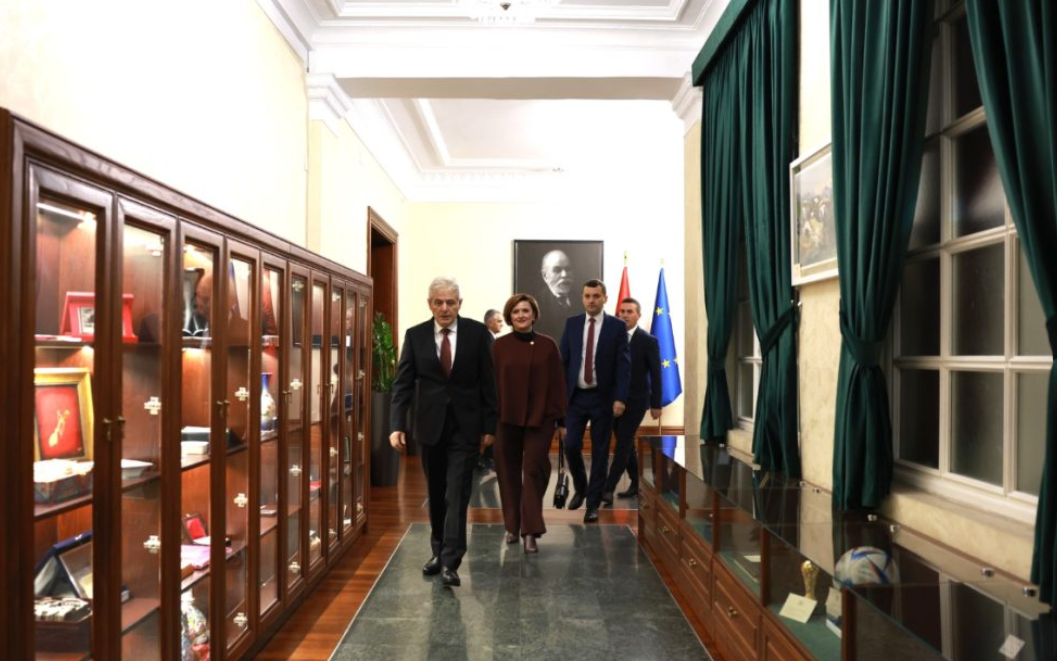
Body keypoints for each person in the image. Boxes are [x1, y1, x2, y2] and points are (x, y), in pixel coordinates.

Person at [389, 276, 498, 587]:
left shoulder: (478, 334)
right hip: (429, 428)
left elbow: (489, 383)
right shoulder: (416, 336)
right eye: (439, 302)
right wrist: (396, 425)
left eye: (451, 302)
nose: (445, 308)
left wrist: (489, 426)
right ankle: (438, 550)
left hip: (466, 428)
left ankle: (451, 560)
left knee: (457, 493)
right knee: (436, 493)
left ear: (460, 304)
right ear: (430, 304)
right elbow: (402, 385)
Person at [492, 293, 566, 553]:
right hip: (505, 418)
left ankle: (530, 530)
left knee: (534, 469)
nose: (521, 315)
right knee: (507, 471)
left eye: (525, 311)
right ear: (510, 317)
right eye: (516, 312)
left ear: (534, 314)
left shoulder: (548, 345)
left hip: (541, 418)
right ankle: (512, 526)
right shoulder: (499, 346)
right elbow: (490, 385)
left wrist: (562, 420)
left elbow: (558, 383)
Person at [558, 279, 630, 523]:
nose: (591, 300)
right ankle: (581, 486)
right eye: (587, 295)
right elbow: (564, 362)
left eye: (596, 296)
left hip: (603, 398)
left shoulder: (617, 327)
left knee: (600, 452)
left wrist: (620, 397)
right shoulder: (572, 324)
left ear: (605, 298)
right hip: (575, 398)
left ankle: (592, 504)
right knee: (571, 445)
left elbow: (623, 365)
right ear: (582, 297)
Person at [602, 297, 661, 503]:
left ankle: (608, 488)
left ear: (638, 315)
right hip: (613, 401)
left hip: (636, 402)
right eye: (622, 311)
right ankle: (637, 483)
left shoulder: (648, 340)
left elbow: (656, 373)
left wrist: (656, 403)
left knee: (623, 444)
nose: (625, 315)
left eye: (629, 311)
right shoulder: (611, 337)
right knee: (625, 444)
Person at [534, 249, 575, 339]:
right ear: (545, 276)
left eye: (568, 269)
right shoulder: (535, 305)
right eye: (557, 270)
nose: (564, 275)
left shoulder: (582, 299)